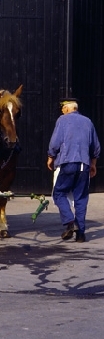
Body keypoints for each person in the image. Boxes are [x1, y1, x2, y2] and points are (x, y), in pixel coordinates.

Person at [47, 98, 100, 243]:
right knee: (81, 198)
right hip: (84, 165)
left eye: (63, 108)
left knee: (59, 193)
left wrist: (50, 157)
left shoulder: (62, 121)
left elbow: (55, 143)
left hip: (68, 163)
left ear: (67, 108)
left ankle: (70, 222)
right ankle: (81, 235)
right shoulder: (88, 121)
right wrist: (93, 164)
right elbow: (95, 147)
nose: (62, 111)